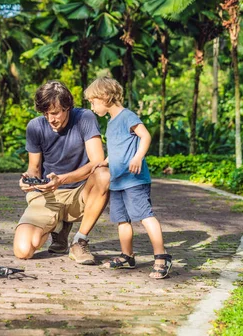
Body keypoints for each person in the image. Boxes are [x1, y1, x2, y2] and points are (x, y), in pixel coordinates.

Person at [84, 77, 172, 279]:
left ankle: (162, 256)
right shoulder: (111, 122)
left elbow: (146, 136)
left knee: (145, 215)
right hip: (118, 181)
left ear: (105, 97)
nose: (92, 106)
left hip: (134, 180)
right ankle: (127, 256)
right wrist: (105, 161)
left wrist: (138, 157)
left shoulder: (127, 116)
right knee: (122, 220)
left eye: (93, 101)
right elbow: (117, 147)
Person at [14, 80, 110, 265]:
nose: (51, 119)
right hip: (49, 195)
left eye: (55, 113)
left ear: (68, 107)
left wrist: (63, 179)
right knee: (23, 250)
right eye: (46, 114)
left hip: (80, 192)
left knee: (104, 174)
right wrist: (28, 179)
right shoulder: (35, 126)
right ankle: (58, 226)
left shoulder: (85, 118)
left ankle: (80, 241)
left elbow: (97, 161)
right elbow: (34, 168)